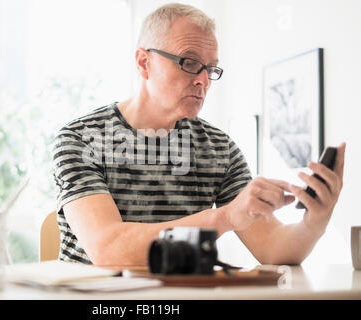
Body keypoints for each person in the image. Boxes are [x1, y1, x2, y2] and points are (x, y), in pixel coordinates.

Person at [51, 3, 345, 266]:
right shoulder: (80, 138)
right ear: (144, 63)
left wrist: (314, 222)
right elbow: (108, 249)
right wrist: (226, 217)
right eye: (189, 62)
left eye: (211, 68)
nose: (203, 80)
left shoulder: (219, 148)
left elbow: (273, 249)